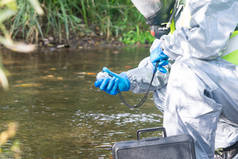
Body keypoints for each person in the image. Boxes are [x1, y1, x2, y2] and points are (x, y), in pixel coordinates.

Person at [94, 0, 238, 158]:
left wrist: (166, 47)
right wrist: (128, 79)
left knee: (187, 72)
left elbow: (204, 42)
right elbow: (164, 66)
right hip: (230, 92)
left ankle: (182, 154)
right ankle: (226, 147)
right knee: (165, 91)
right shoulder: (180, 10)